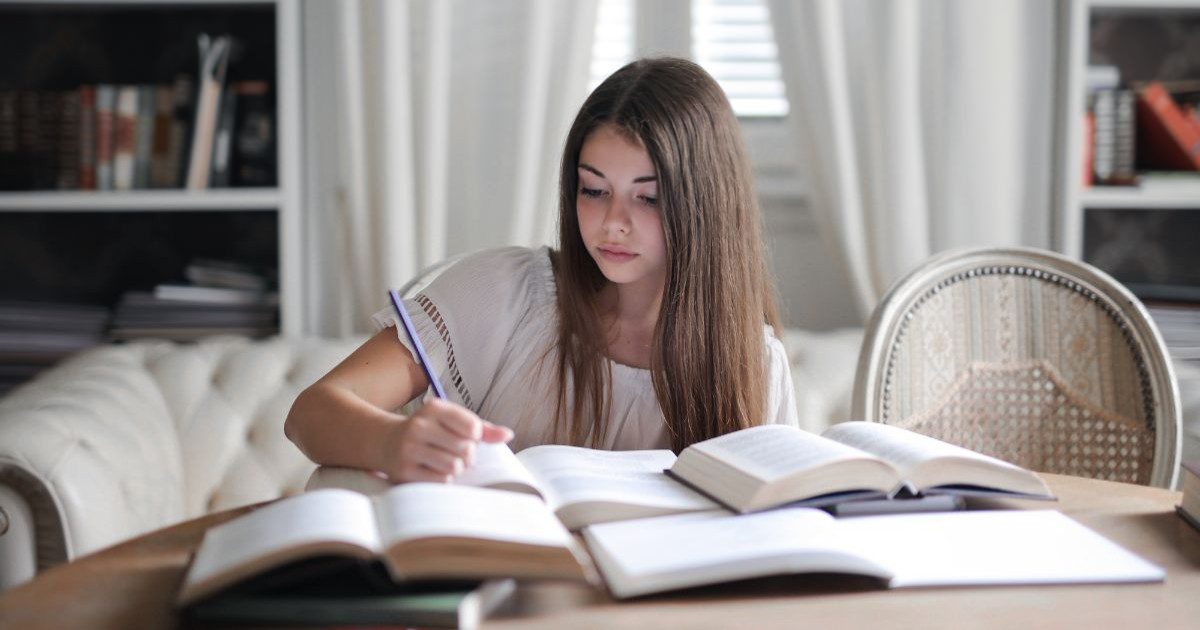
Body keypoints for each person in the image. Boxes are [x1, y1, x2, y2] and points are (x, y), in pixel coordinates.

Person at [285, 57, 798, 483]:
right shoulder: (505, 294)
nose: (613, 224)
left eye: (648, 198)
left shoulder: (753, 364)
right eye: (593, 190)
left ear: (704, 205)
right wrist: (392, 441)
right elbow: (311, 414)